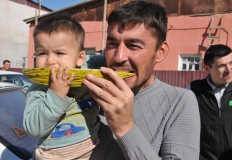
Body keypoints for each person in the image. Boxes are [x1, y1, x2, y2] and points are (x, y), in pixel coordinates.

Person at [83, 1, 201, 159]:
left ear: (160, 52)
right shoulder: (87, 89)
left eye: (134, 46)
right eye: (112, 44)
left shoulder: (179, 102)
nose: (118, 57)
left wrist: (125, 127)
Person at [23, 14, 100, 160]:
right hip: (54, 156)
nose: (50, 61)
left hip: (93, 148)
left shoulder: (87, 71)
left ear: (79, 58)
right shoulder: (39, 89)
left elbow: (101, 60)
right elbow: (33, 129)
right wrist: (55, 94)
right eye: (42, 53)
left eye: (59, 53)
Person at [187, 44, 232, 160]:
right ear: (207, 68)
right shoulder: (193, 90)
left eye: (231, 63)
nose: (229, 70)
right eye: (222, 66)